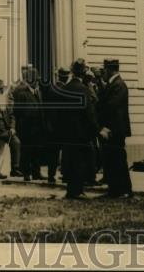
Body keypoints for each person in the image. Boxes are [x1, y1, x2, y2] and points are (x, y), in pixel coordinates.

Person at [61, 59, 98, 200]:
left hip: (67, 131)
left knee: (69, 160)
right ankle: (78, 190)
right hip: (81, 132)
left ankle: (71, 190)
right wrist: (95, 129)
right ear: (83, 74)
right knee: (80, 161)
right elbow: (89, 113)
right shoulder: (84, 89)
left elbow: (59, 112)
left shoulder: (64, 88)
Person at [97, 58, 133, 199]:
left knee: (118, 160)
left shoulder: (119, 85)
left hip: (115, 130)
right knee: (112, 160)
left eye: (104, 70)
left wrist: (104, 126)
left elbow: (110, 107)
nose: (103, 73)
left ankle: (125, 190)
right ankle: (114, 190)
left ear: (110, 70)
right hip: (111, 129)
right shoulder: (113, 84)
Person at [9, 65, 44, 181]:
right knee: (27, 151)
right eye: (35, 80)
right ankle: (26, 173)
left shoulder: (38, 92)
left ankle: (36, 172)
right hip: (26, 127)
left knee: (37, 150)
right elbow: (17, 112)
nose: (37, 82)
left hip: (38, 127)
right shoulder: (21, 93)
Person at [0, 78, 16, 177]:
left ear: (2, 91)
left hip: (5, 130)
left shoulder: (5, 101)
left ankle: (15, 168)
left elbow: (12, 116)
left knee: (16, 142)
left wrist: (12, 128)